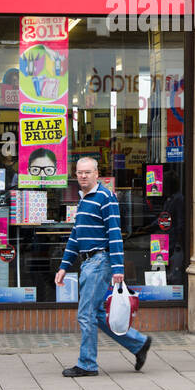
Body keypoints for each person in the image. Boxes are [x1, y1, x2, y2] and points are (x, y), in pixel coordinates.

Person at [54, 156, 151, 377]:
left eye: (87, 172)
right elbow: (76, 235)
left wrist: (118, 268)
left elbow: (115, 234)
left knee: (85, 314)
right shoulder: (84, 199)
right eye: (79, 172)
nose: (83, 176)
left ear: (97, 174)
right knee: (95, 313)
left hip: (99, 261)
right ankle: (138, 343)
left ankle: (87, 364)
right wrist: (63, 266)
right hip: (88, 261)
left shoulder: (106, 198)